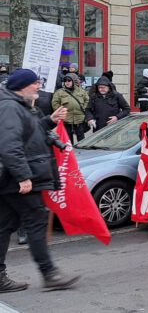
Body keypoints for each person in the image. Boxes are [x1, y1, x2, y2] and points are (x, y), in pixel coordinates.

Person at [0, 69, 80, 292]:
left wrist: (49, 121)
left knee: (4, 226)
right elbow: (8, 145)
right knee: (36, 221)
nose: (38, 86)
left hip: (13, 178)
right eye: (35, 83)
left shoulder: (20, 106)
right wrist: (23, 176)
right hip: (20, 179)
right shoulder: (10, 107)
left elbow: (31, 134)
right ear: (22, 86)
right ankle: (50, 274)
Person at [51, 74, 89, 144]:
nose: (67, 82)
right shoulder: (59, 92)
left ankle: (82, 152)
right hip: (66, 119)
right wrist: (61, 111)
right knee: (68, 139)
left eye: (69, 81)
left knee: (81, 139)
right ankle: (71, 152)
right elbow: (55, 103)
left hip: (79, 118)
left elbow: (87, 100)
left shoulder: (81, 91)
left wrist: (84, 107)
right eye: (65, 81)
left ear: (73, 82)